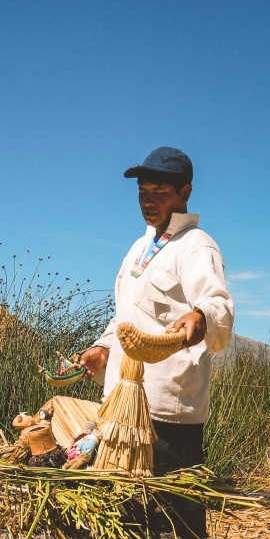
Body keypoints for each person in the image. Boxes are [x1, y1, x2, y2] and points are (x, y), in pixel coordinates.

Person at [79, 146, 234, 476]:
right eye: (143, 192)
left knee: (172, 518)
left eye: (160, 193)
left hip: (167, 412)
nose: (148, 202)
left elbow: (218, 303)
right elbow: (127, 312)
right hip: (122, 403)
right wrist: (104, 347)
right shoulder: (139, 248)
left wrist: (200, 316)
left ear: (185, 192)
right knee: (126, 511)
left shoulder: (196, 245)